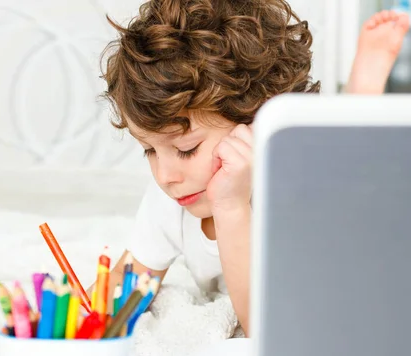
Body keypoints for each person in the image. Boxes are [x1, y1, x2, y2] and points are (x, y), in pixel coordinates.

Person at [96, 0, 409, 336]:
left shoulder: (290, 192)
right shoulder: (171, 197)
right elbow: (125, 283)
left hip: (327, 227)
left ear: (256, 120)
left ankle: (361, 92)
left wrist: (230, 205)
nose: (165, 175)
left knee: (346, 173)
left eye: (186, 150)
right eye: (149, 151)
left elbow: (262, 326)